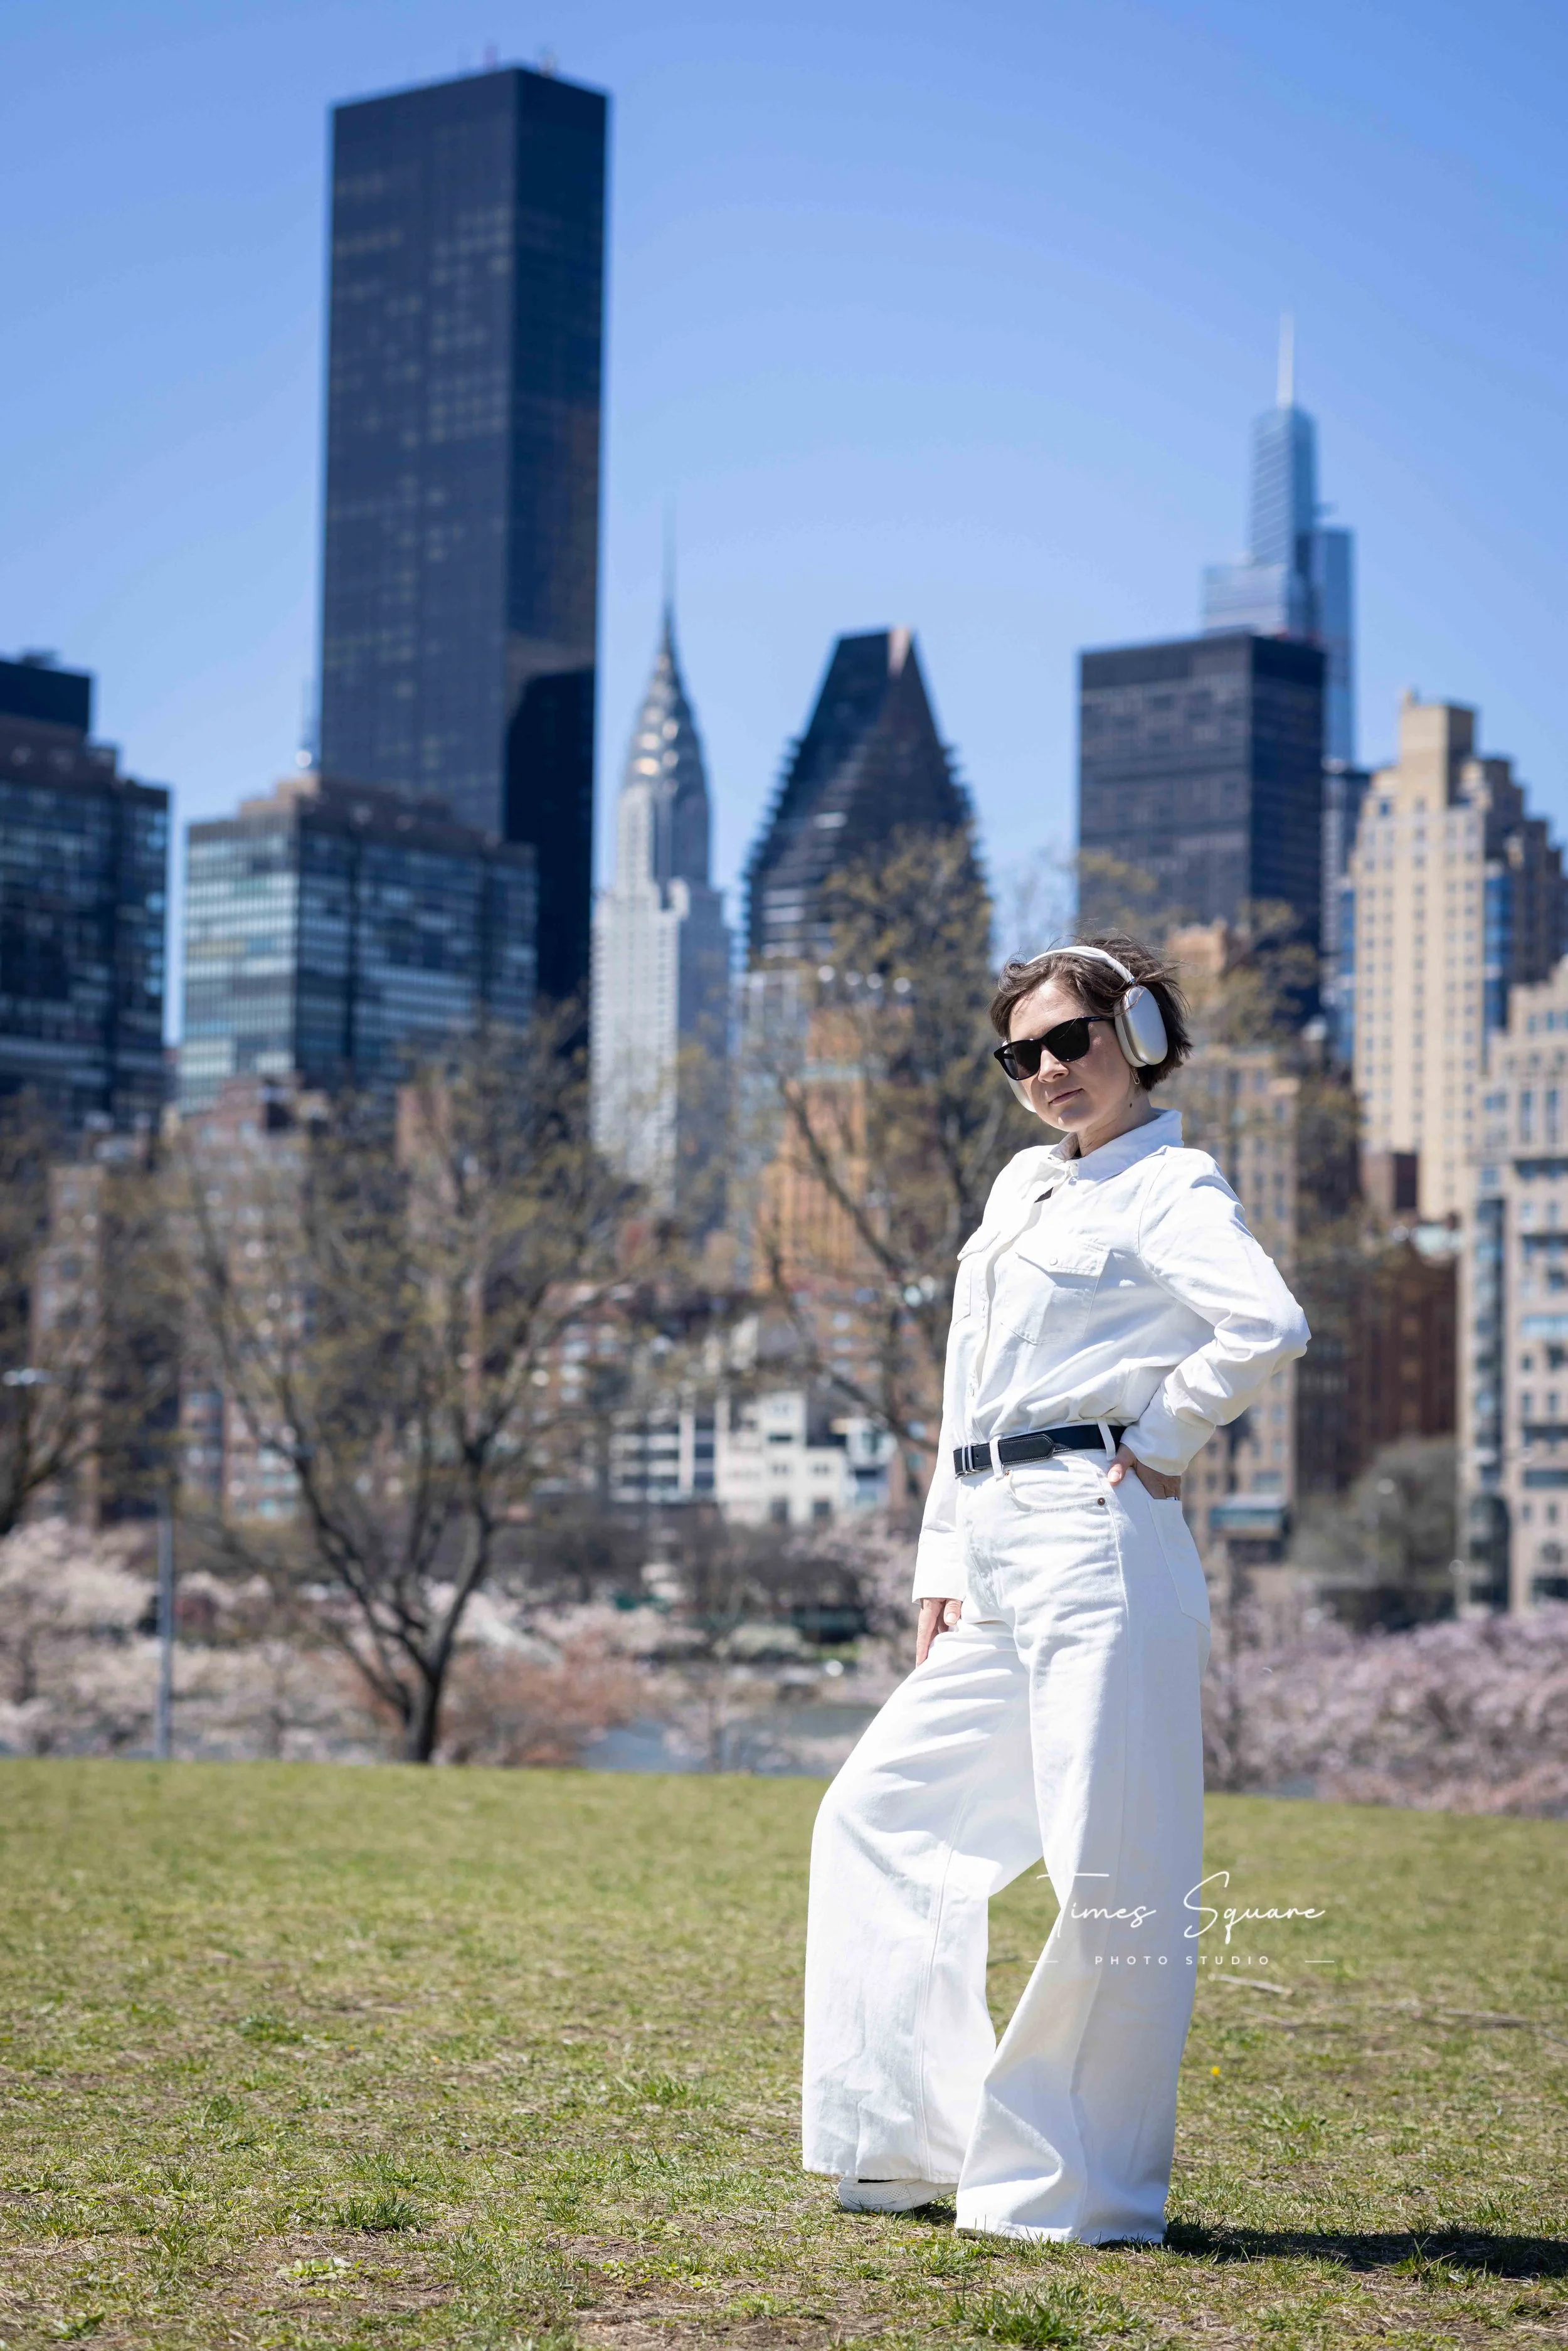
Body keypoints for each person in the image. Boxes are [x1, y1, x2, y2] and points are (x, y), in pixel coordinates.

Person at [801, 935, 1309, 2243]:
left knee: (1109, 1875)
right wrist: (939, 1559)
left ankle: (1071, 2189)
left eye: (1070, 1040)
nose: (1044, 1071)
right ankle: (908, 2141)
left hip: (1099, 1537)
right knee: (876, 1817)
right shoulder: (1018, 1189)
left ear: (1136, 1032)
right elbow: (967, 1393)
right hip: (996, 1544)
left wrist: (1163, 1437)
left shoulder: (1170, 1183)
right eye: (1019, 1053)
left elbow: (1263, 1322)